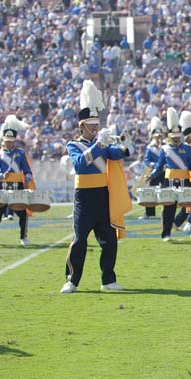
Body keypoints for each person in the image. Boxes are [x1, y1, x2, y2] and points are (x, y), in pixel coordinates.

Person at [61, 80, 132, 294]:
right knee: (80, 239)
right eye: (92, 126)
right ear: (82, 126)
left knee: (109, 240)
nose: (95, 129)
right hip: (84, 198)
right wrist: (99, 144)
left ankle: (108, 280)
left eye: (97, 126)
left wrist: (125, 146)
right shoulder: (73, 145)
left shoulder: (104, 143)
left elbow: (116, 154)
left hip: (103, 196)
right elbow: (81, 164)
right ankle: (71, 280)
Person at [149, 108, 191, 242]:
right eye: (174, 137)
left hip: (185, 179)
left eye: (178, 137)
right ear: (170, 136)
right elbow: (159, 165)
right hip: (169, 181)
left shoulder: (187, 148)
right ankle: (166, 234)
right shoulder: (164, 149)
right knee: (169, 208)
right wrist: (152, 174)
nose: (176, 140)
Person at [0, 115, 33, 247]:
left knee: (22, 214)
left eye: (11, 141)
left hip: (17, 186)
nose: (9, 143)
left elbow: (28, 171)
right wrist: (1, 175)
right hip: (2, 186)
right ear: (3, 140)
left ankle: (24, 237)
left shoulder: (20, 153)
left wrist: (27, 179)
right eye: (7, 140)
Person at [171, 111, 191, 237]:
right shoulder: (186, 147)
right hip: (188, 177)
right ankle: (189, 226)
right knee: (190, 202)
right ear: (188, 137)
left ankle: (178, 223)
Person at [140, 116, 164, 219]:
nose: (158, 138)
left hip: (164, 171)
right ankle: (150, 213)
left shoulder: (165, 146)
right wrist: (154, 165)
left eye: (160, 136)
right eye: (157, 136)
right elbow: (146, 160)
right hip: (154, 171)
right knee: (151, 192)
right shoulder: (150, 147)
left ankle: (166, 211)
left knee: (165, 191)